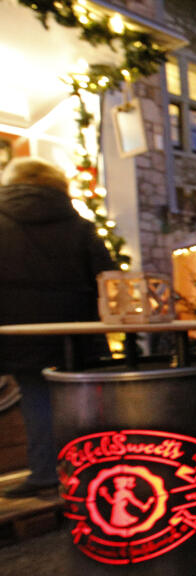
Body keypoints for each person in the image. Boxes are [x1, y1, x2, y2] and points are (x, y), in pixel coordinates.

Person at [0, 157, 113, 497]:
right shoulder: (80, 225)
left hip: (18, 329)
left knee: (36, 396)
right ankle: (97, 468)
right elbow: (107, 276)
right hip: (75, 328)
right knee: (85, 398)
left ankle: (45, 473)